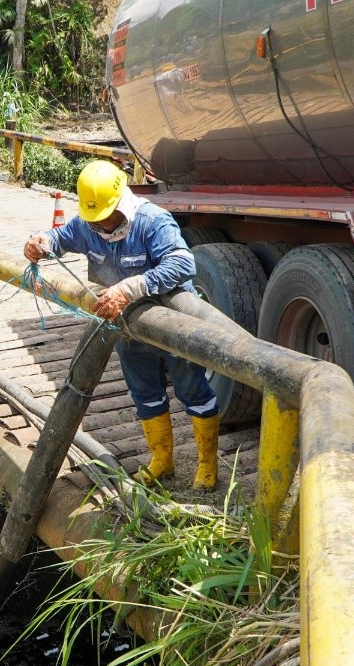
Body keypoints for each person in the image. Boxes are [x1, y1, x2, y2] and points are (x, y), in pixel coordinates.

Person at [22, 160, 221, 491]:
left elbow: (183, 264)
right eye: (94, 218)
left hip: (173, 324)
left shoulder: (152, 222)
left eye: (105, 217)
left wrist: (130, 287)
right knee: (144, 391)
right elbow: (60, 238)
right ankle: (162, 461)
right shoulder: (88, 225)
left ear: (120, 201)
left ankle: (207, 465)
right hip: (128, 329)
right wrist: (40, 241)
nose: (100, 224)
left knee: (192, 390)